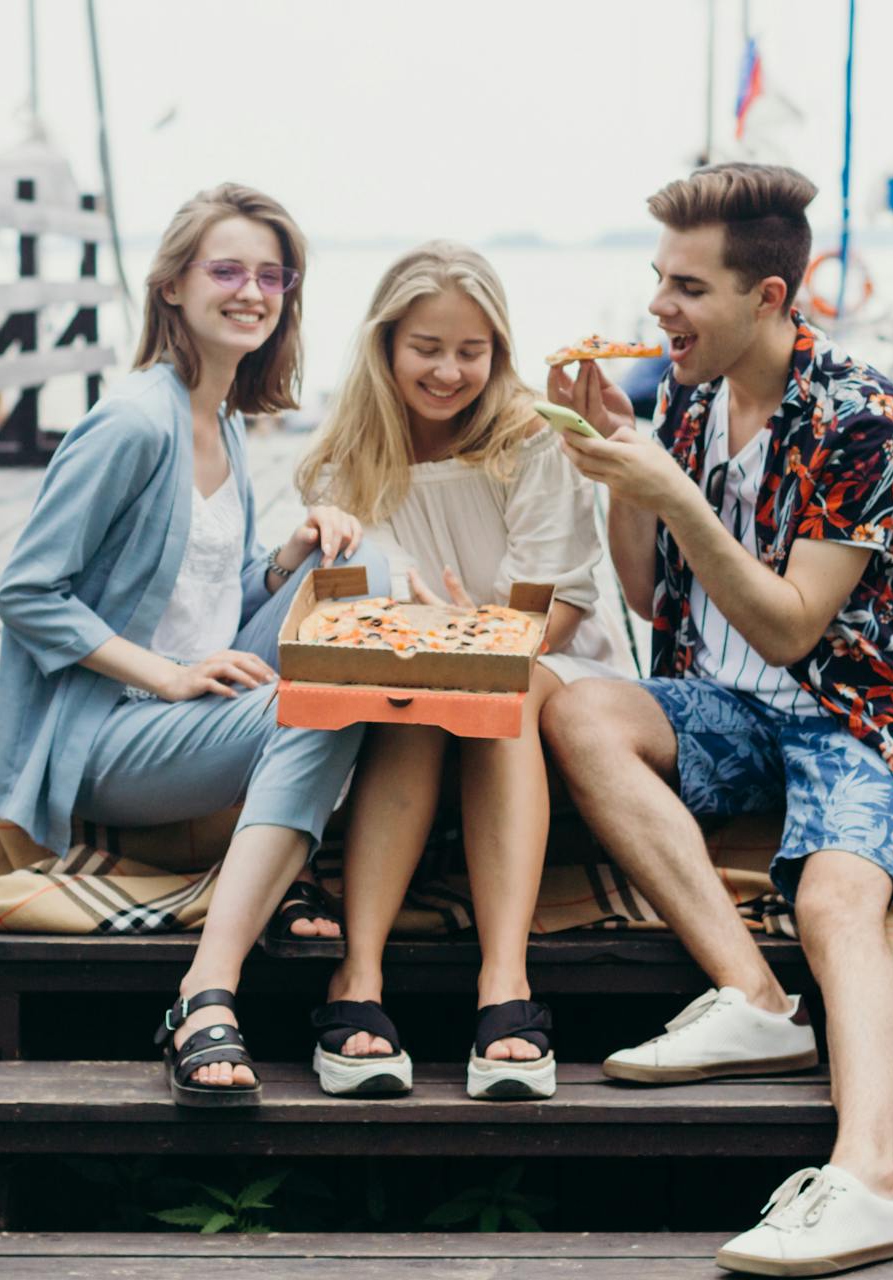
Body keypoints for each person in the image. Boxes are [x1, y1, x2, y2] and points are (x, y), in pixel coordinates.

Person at [542, 163, 893, 1275]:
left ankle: (871, 1180)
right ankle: (753, 993)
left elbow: (792, 625)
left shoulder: (864, 419)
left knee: (839, 899)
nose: (658, 308)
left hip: (860, 709)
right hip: (730, 704)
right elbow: (649, 597)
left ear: (770, 299)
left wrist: (674, 490)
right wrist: (618, 468)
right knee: (581, 709)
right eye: (658, 279)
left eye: (686, 287)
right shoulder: (687, 400)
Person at [0, 183, 386, 1108]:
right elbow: (25, 593)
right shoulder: (133, 422)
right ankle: (203, 990)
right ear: (171, 284)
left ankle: (287, 860)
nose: (251, 291)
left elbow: (208, 595)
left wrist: (290, 554)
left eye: (270, 276)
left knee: (349, 619)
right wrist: (167, 677)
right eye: (227, 270)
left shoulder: (221, 420)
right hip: (104, 734)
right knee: (318, 707)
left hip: (180, 713)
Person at [293, 241, 619, 1101]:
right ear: (386, 345)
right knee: (419, 702)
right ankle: (358, 977)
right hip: (413, 671)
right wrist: (433, 642)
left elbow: (563, 610)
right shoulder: (346, 458)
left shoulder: (531, 440)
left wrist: (474, 638)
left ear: (498, 352)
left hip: (545, 660)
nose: (448, 371)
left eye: (470, 351)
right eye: (426, 348)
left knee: (493, 697)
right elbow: (350, 603)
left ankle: (503, 980)